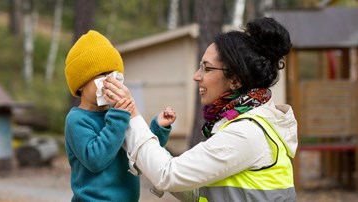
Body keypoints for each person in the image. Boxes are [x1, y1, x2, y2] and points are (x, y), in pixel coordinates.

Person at [105, 17, 297, 202]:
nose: (197, 76)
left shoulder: (246, 132)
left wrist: (130, 113)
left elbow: (167, 174)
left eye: (207, 68)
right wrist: (150, 159)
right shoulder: (250, 124)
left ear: (235, 80)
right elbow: (199, 192)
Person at [64, 30, 176, 202]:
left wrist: (159, 128)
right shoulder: (77, 120)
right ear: (80, 83)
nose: (109, 81)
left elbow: (140, 150)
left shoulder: (117, 113)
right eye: (101, 75)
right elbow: (96, 160)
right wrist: (118, 116)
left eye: (113, 75)